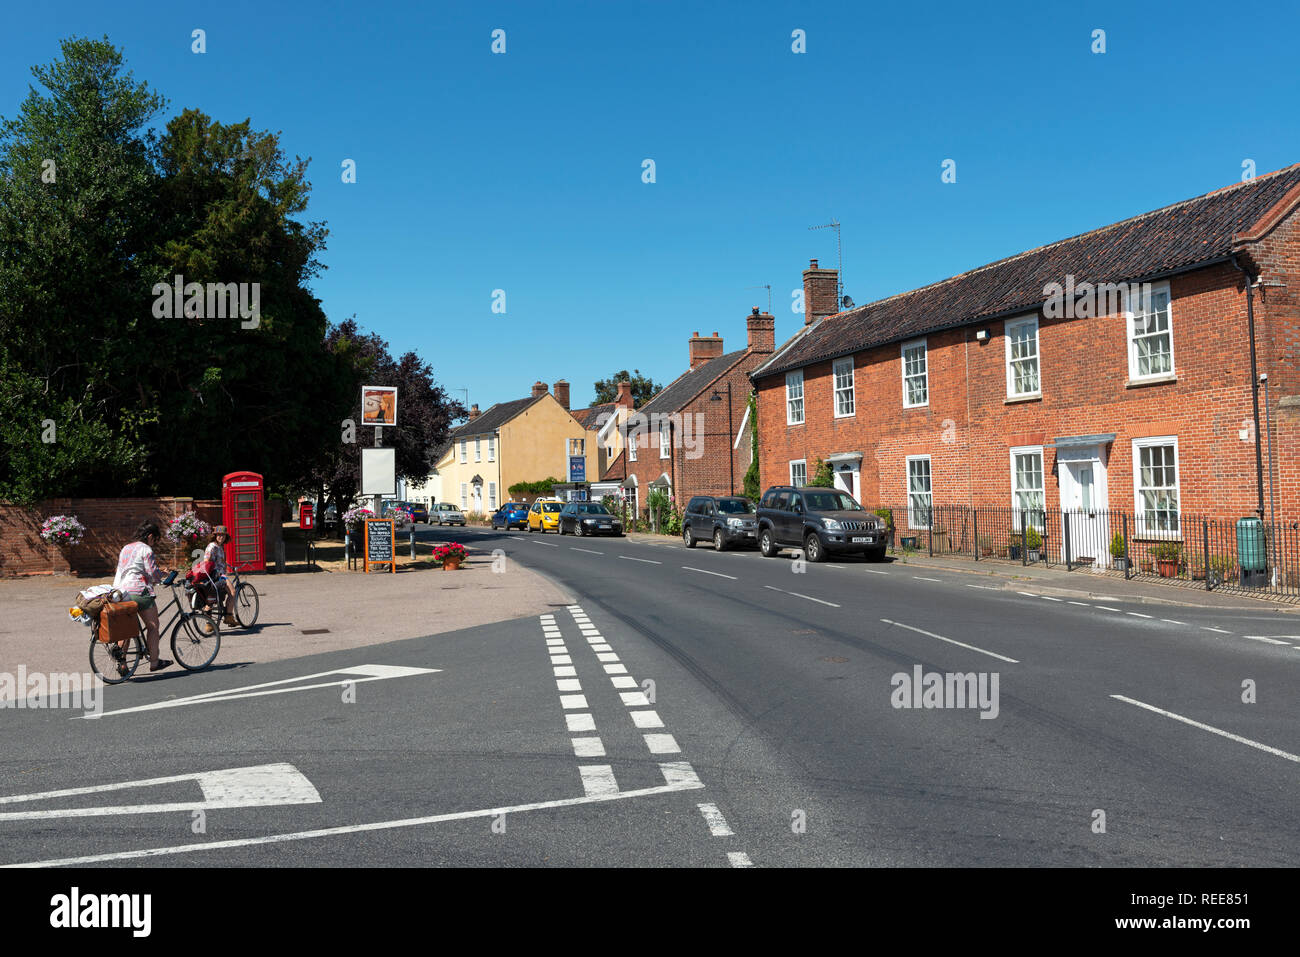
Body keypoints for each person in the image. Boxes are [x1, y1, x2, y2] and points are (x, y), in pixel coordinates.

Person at [113, 521, 172, 672]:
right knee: (153, 627)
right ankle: (154, 661)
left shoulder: (126, 548)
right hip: (139, 591)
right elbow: (152, 573)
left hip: (120, 592)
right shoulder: (146, 549)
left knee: (126, 630)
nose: (154, 543)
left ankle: (122, 664)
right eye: (155, 540)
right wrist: (162, 576)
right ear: (150, 536)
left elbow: (124, 570)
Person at [203, 526, 238, 627]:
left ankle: (211, 622)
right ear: (215, 536)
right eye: (219, 535)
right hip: (217, 576)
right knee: (233, 592)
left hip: (219, 574)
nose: (221, 537)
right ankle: (229, 617)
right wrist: (215, 573)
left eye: (223, 535)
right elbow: (206, 562)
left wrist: (229, 566)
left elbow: (220, 562)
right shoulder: (212, 546)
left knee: (213, 598)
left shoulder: (219, 546)